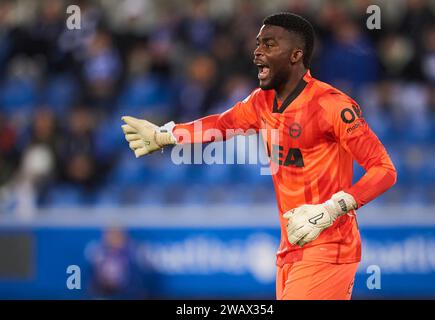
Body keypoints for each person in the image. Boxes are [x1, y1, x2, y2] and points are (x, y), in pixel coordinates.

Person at [120, 12, 397, 300]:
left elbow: (384, 169)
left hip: (330, 247)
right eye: (257, 44)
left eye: (268, 45)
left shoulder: (333, 106)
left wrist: (331, 209)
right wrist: (165, 135)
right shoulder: (261, 101)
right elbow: (221, 125)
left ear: (295, 55)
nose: (257, 53)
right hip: (291, 249)